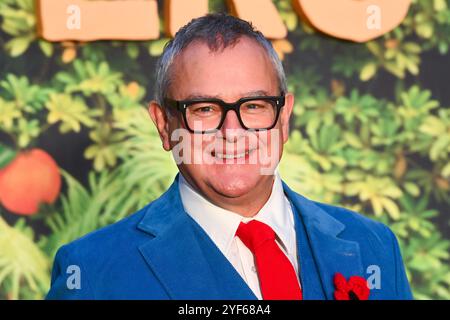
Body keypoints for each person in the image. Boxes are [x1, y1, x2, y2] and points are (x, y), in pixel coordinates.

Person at [46, 13, 413, 300]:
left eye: (254, 106)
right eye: (204, 109)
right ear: (163, 124)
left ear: (284, 117)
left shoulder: (374, 247)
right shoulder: (93, 274)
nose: (232, 132)